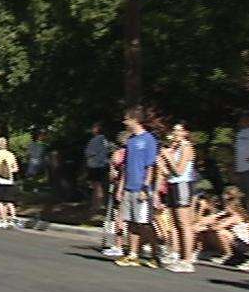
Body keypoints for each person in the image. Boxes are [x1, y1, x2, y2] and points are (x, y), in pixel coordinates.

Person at [114, 108, 160, 269]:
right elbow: (126, 166)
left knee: (144, 223)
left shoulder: (148, 140)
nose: (124, 122)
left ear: (135, 120)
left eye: (127, 119)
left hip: (142, 187)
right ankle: (133, 254)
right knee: (131, 222)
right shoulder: (131, 140)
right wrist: (121, 188)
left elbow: (151, 166)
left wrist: (145, 186)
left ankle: (156, 253)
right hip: (129, 186)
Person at [158, 123, 196, 273]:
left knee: (183, 222)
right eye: (174, 130)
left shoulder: (187, 147)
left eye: (179, 130)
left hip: (183, 185)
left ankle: (187, 259)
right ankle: (180, 256)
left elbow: (179, 171)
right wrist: (161, 163)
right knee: (175, 222)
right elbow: (170, 173)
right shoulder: (176, 148)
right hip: (173, 185)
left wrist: (167, 157)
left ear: (186, 133)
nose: (175, 133)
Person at [0, 137, 19, 229]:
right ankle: (13, 218)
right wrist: (9, 171)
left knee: (0, 201)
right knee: (8, 201)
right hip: (9, 180)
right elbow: (16, 168)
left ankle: (3, 220)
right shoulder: (11, 155)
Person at [84, 122, 110, 210]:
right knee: (98, 185)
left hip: (96, 165)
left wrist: (88, 154)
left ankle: (97, 205)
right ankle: (98, 204)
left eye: (94, 127)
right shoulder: (104, 139)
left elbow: (90, 152)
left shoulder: (97, 139)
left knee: (97, 186)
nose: (92, 129)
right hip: (101, 164)